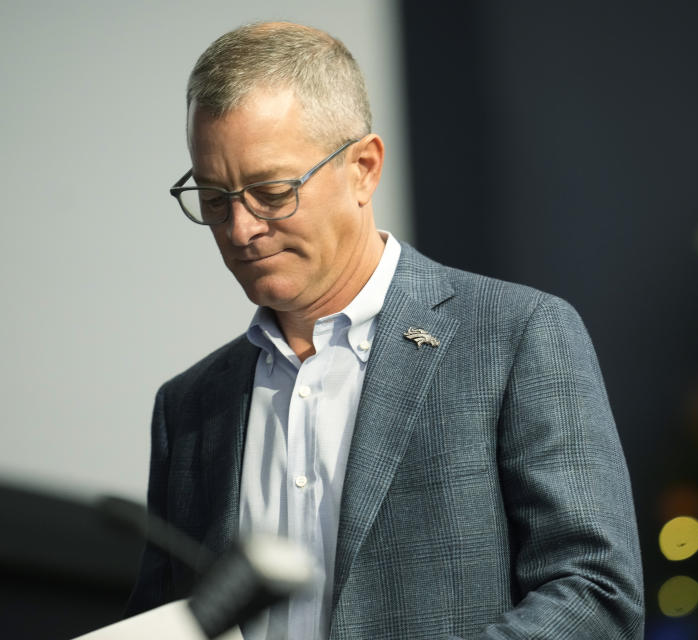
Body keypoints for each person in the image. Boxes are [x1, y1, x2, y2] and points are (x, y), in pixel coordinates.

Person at [127, 21, 643, 639]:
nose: (240, 229)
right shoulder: (188, 409)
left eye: (270, 191)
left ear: (364, 168)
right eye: (214, 198)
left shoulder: (515, 336)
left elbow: (595, 596)